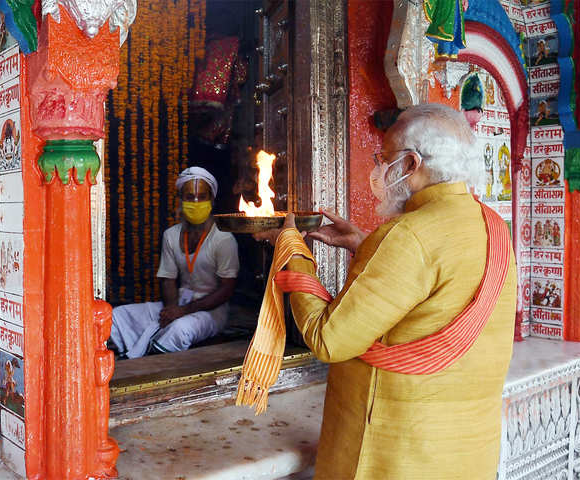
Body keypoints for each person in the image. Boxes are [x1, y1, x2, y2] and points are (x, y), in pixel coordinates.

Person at [256, 103, 517, 479]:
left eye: (383, 158)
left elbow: (328, 338)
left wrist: (293, 251)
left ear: (411, 165)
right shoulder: (492, 224)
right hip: (465, 454)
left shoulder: (407, 235)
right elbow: (435, 287)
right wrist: (364, 245)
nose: (378, 169)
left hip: (396, 456)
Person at [110, 166, 239, 358]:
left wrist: (183, 311)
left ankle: (150, 365)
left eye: (202, 197)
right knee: (118, 315)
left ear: (211, 200)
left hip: (211, 312)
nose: (196, 202)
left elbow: (226, 290)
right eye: (189, 197)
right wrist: (172, 308)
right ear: (181, 199)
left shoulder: (223, 239)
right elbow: (168, 278)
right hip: (178, 303)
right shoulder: (171, 235)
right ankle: (118, 357)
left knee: (180, 330)